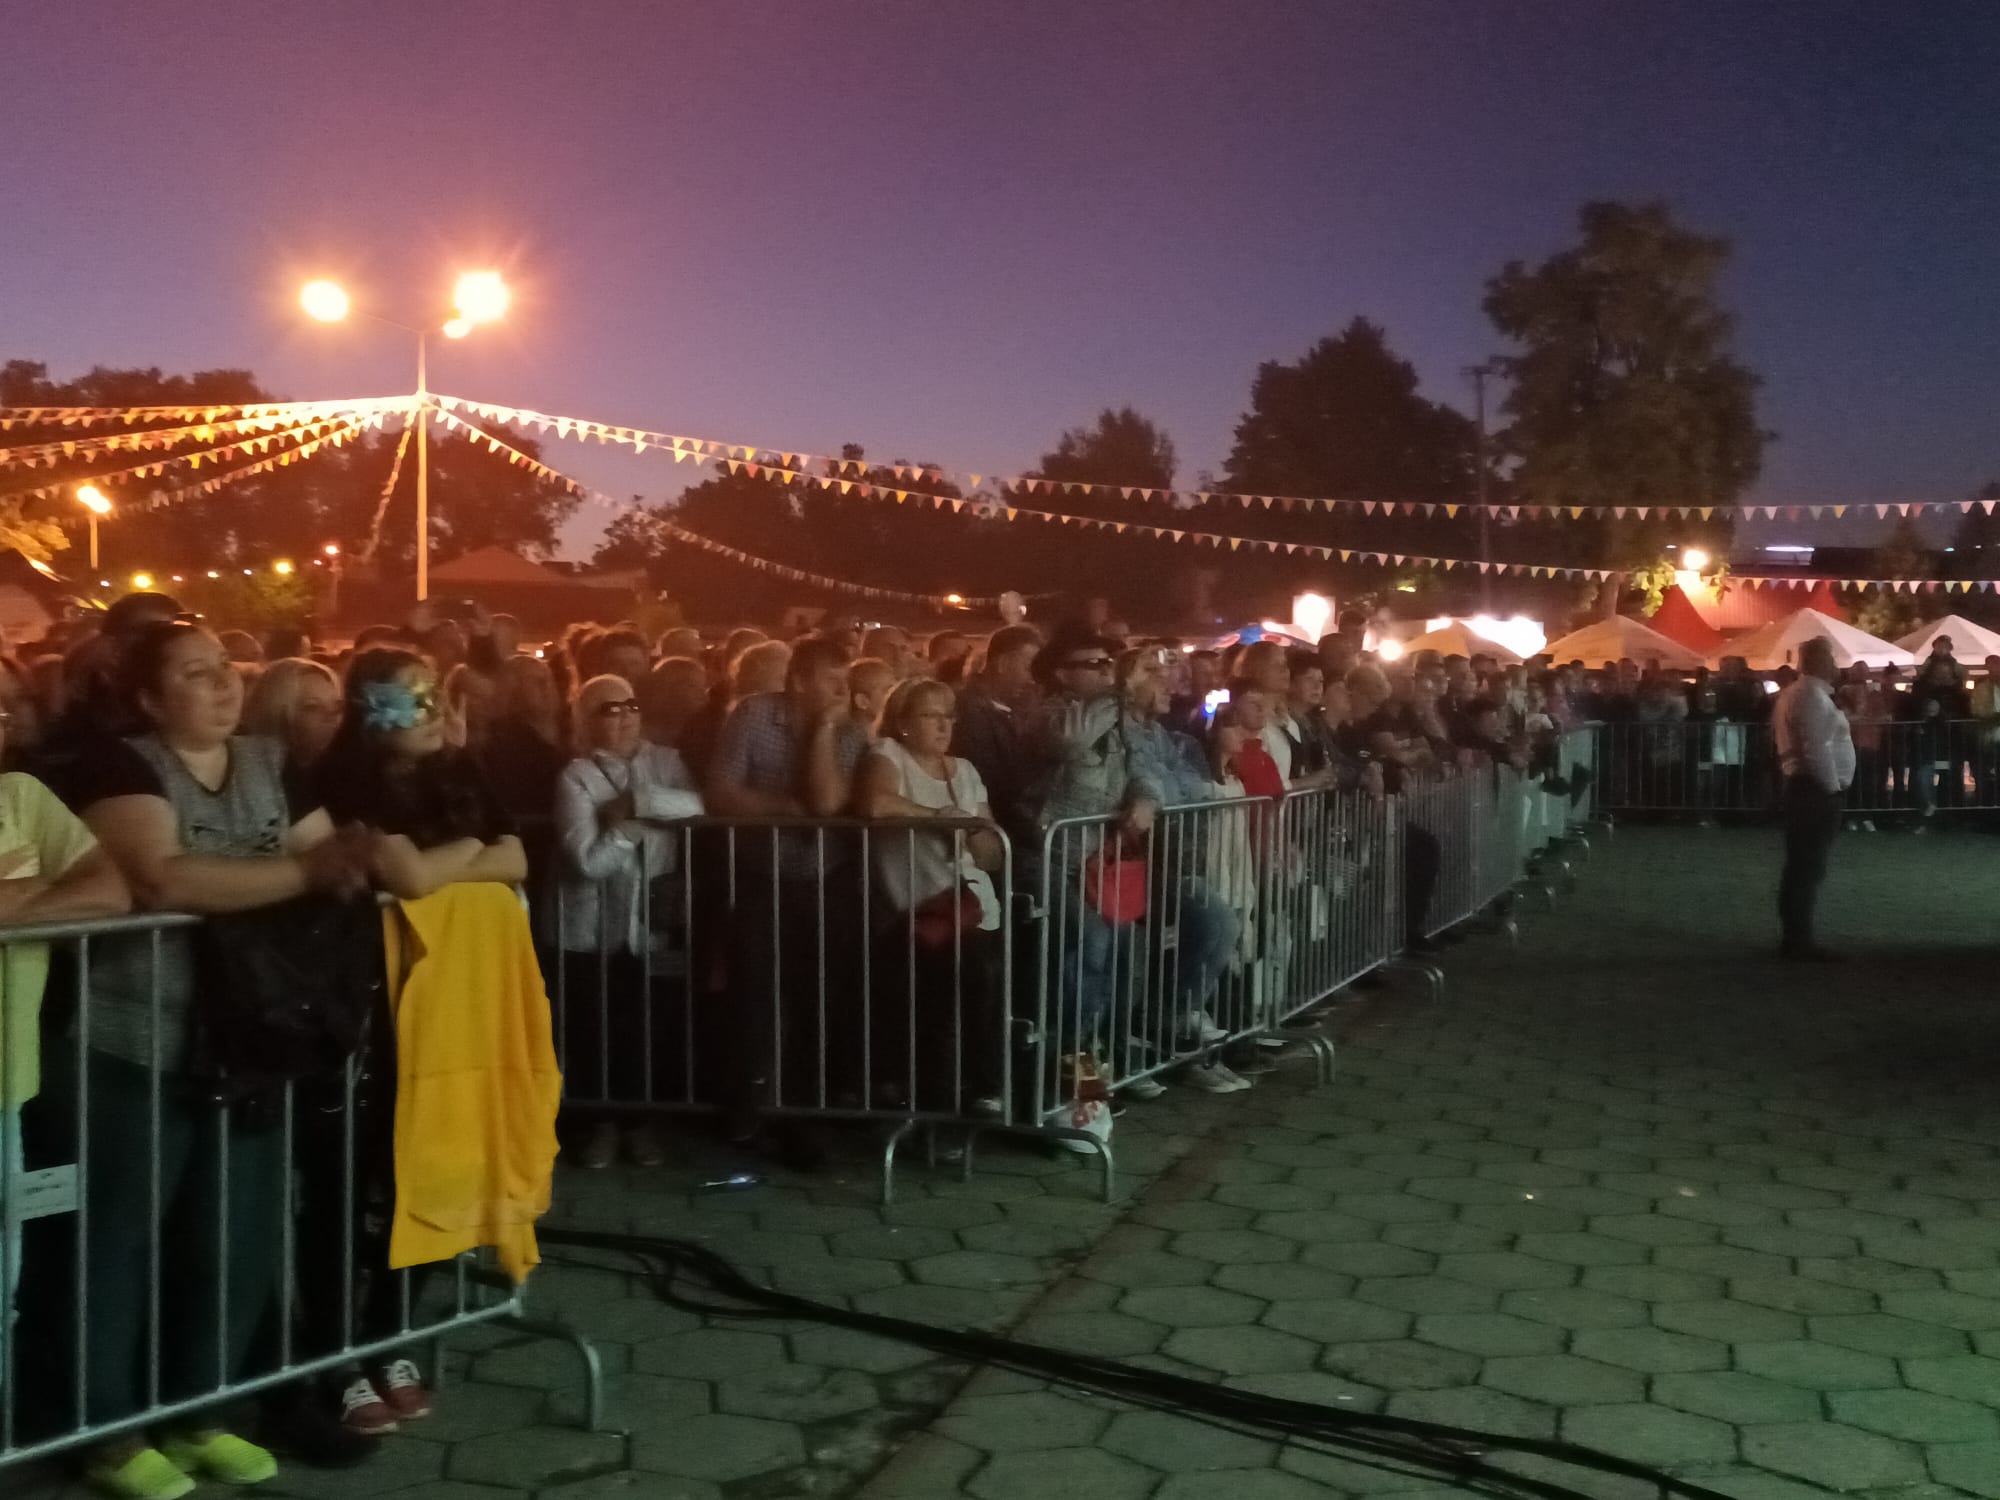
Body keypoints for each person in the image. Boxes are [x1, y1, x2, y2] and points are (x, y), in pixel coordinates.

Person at [51, 621, 370, 1497]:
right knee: (119, 1241)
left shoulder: (271, 762)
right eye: (196, 674)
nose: (225, 685)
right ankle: (106, 1429)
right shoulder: (120, 767)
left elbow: (333, 855)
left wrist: (292, 871)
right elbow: (161, 877)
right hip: (135, 1042)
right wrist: (294, 877)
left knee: (234, 1236)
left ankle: (202, 1412)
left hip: (251, 1041)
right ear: (149, 699)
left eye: (227, 668)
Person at [313, 648, 551, 1436]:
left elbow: (516, 856)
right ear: (369, 709)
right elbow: (405, 875)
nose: (432, 713)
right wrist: (469, 855)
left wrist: (450, 861)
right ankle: (334, 1353)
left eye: (432, 695)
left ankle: (394, 1333)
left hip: (460, 1007)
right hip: (373, 1005)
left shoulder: (461, 769)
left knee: (441, 1164)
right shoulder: (342, 780)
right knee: (356, 1180)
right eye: (411, 698)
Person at [706, 636, 870, 1163]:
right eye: (831, 681)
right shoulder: (753, 715)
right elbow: (722, 792)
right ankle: (750, 1108)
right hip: (761, 878)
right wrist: (781, 808)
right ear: (798, 680)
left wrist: (823, 729)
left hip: (827, 881)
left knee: (817, 997)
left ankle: (807, 1115)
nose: (842, 690)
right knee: (756, 996)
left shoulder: (850, 730)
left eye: (846, 681)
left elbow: (826, 803)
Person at [549, 674, 704, 1169]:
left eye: (630, 705)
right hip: (589, 927)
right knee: (592, 1029)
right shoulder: (575, 775)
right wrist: (636, 827)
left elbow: (697, 805)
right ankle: (600, 1126)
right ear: (586, 718)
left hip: (648, 922)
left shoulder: (666, 760)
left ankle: (638, 1125)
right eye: (609, 709)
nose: (624, 716)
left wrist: (635, 804)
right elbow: (588, 860)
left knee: (645, 1029)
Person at [855, 678, 1006, 1115]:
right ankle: (952, 1095)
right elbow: (876, 804)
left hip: (972, 906)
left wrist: (973, 832)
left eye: (948, 716)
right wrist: (938, 818)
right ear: (903, 722)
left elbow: (993, 854)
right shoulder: (889, 754)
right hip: (915, 910)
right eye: (929, 715)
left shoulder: (966, 771)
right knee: (946, 997)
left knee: (982, 984)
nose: (943, 726)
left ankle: (978, 1087)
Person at [1773, 637, 1854, 961]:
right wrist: (1832, 788)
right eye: (1831, 658)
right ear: (1821, 661)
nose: (1836, 664)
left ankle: (1795, 936)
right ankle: (1798, 940)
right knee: (1807, 866)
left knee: (1802, 865)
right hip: (1814, 790)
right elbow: (1816, 748)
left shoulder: (1800, 694)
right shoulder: (1811, 696)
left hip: (1807, 787)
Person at [951, 624, 1041, 840]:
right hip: (991, 830)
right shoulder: (968, 710)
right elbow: (987, 777)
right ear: (1003, 663)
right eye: (1028, 668)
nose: (1033, 679)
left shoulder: (1021, 709)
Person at [242, 658, 343, 775]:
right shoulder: (255, 774)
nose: (332, 716)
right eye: (313, 707)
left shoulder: (345, 769)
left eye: (338, 706)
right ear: (276, 712)